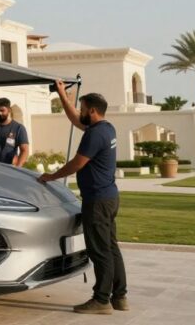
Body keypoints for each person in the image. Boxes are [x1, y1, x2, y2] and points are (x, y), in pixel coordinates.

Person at [39, 81, 128, 315]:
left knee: (100, 251)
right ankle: (120, 297)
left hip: (97, 201)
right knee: (110, 247)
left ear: (92, 111)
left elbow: (77, 163)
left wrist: (52, 176)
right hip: (109, 197)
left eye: (82, 108)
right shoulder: (106, 128)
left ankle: (101, 300)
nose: (80, 113)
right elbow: (75, 119)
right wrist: (62, 95)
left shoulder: (95, 134)